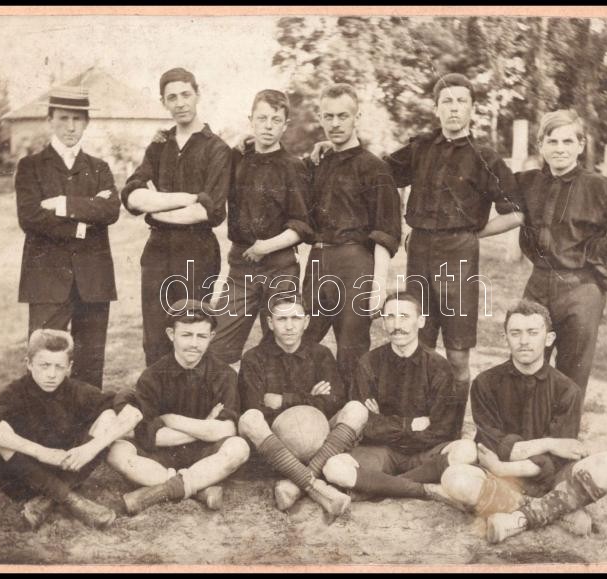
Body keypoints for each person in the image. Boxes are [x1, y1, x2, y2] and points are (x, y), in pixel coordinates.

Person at [381, 72, 522, 437]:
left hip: (459, 255)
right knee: (417, 343)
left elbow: (516, 212)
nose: (454, 108)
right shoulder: (421, 147)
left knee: (458, 352)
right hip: (420, 251)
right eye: (447, 101)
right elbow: (377, 173)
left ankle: (452, 431)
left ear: (472, 108)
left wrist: (474, 232)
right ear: (436, 108)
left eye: (461, 101)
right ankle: (416, 429)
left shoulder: (484, 157)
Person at [504, 110, 607, 415]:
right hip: (538, 282)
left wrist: (596, 254)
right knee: (525, 359)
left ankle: (563, 437)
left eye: (568, 141)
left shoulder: (599, 187)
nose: (560, 149)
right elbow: (484, 190)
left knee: (572, 370)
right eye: (552, 141)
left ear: (581, 145)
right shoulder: (527, 182)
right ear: (540, 145)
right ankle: (526, 432)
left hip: (581, 287)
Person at [439, 300, 607, 543]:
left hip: (550, 480)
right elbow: (492, 446)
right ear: (505, 338)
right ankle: (555, 510)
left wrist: (503, 466)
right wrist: (548, 444)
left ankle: (518, 519)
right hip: (504, 481)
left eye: (533, 332)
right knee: (454, 478)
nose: (524, 341)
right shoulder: (485, 383)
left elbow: (557, 459)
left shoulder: (568, 390)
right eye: (515, 333)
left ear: (549, 339)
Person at [0, 329, 140, 530]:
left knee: (108, 416)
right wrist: (41, 452)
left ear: (69, 367)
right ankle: (71, 499)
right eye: (44, 365)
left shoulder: (76, 390)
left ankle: (48, 499)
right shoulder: (14, 393)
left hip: (66, 469)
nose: (51, 374)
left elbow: (133, 415)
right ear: (29, 363)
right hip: (24, 479)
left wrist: (90, 449)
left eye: (59, 367)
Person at [120, 68, 233, 366]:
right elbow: (131, 195)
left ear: (197, 95)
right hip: (157, 252)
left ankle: (193, 393)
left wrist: (155, 208)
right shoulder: (159, 146)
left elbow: (208, 211)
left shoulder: (217, 148)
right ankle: (157, 394)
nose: (180, 103)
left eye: (186, 94)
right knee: (155, 337)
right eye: (172, 97)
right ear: (163, 102)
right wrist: (186, 198)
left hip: (197, 252)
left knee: (192, 333)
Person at [321, 293, 476, 501]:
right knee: (334, 467)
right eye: (390, 317)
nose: (397, 325)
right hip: (382, 452)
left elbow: (442, 430)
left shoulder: (439, 367)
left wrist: (384, 422)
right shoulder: (369, 363)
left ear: (420, 321)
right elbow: (367, 426)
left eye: (404, 317)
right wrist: (410, 425)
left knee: (466, 450)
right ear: (383, 322)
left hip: (426, 455)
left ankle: (381, 485)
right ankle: (422, 489)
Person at [15, 85, 120, 389]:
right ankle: (42, 419)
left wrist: (61, 204)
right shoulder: (31, 166)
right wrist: (84, 222)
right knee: (46, 359)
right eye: (63, 118)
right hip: (47, 280)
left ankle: (88, 419)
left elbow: (111, 210)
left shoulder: (99, 168)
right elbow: (31, 218)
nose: (71, 127)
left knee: (90, 365)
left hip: (94, 280)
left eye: (77, 119)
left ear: (86, 122)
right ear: (50, 120)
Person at [302, 83, 402, 388]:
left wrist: (378, 285)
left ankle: (354, 411)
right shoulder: (317, 163)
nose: (335, 123)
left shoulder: (374, 167)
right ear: (321, 118)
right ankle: (303, 407)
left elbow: (386, 230)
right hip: (318, 260)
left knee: (351, 347)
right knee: (301, 338)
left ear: (356, 117)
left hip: (355, 262)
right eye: (328, 116)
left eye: (342, 116)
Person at [107, 299, 249, 515]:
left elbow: (227, 430)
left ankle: (165, 489)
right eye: (186, 335)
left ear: (211, 336)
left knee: (239, 448)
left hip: (207, 454)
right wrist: (206, 427)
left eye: (201, 336)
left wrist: (171, 419)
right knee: (116, 452)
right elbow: (151, 437)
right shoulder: (152, 376)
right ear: (171, 334)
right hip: (161, 456)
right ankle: (199, 488)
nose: (194, 343)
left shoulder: (225, 374)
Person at [237, 296, 369, 517]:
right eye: (282, 319)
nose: (289, 326)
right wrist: (312, 397)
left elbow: (335, 401)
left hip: (319, 438)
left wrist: (284, 400)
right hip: (275, 445)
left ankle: (296, 484)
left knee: (357, 409)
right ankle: (315, 486)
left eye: (296, 318)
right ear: (270, 323)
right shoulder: (253, 358)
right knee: (250, 418)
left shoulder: (321, 354)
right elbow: (255, 408)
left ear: (306, 322)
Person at [208, 90, 312, 365]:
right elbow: (210, 155)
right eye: (262, 118)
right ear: (251, 120)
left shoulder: (292, 167)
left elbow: (302, 225)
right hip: (241, 266)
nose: (268, 126)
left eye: (276, 120)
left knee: (283, 344)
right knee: (218, 347)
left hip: (280, 267)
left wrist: (265, 246)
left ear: (285, 125)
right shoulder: (237, 159)